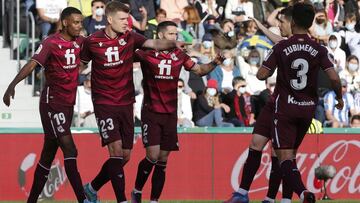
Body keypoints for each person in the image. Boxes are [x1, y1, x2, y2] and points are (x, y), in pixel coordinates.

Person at [224, 3, 343, 203]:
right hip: (301, 108)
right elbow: (334, 78)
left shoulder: (282, 47)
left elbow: (263, 73)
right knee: (260, 145)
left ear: (292, 22)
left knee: (283, 155)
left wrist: (270, 66)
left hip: (284, 106)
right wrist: (339, 98)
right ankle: (246, 194)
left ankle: (290, 196)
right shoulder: (317, 48)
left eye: (281, 21)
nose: (278, 24)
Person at [79, 2, 186, 203]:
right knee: (116, 151)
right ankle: (122, 200)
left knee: (125, 156)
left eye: (128, 20)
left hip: (126, 103)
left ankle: (91, 188)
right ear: (109, 19)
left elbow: (154, 44)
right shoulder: (92, 41)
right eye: (122, 19)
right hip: (104, 102)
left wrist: (173, 43)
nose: (127, 23)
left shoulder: (131, 37)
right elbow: (80, 65)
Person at [130, 21, 225, 203]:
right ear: (160, 36)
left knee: (163, 160)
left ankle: (154, 200)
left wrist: (214, 63)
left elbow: (199, 70)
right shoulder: (146, 53)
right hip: (151, 111)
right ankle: (137, 190)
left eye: (176, 34)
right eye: (171, 34)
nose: (175, 37)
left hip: (171, 114)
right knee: (152, 155)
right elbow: (124, 55)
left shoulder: (179, 55)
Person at [3, 7, 90, 203]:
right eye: (76, 22)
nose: (79, 26)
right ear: (65, 22)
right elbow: (33, 63)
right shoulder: (51, 42)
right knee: (70, 149)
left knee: (49, 152)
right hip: (52, 103)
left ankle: (31, 200)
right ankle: (83, 199)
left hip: (68, 104)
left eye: (81, 22)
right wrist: (12, 85)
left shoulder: (81, 42)